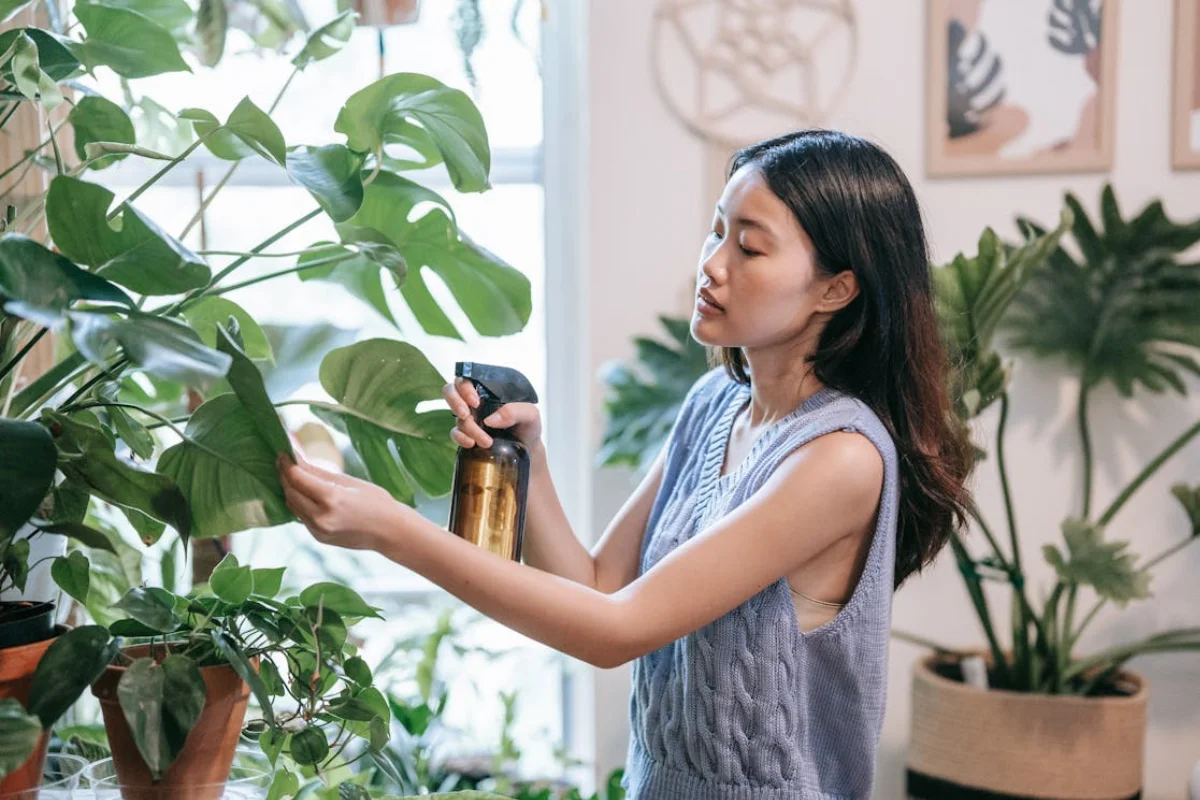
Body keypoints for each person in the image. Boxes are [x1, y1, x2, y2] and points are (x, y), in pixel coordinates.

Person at [277, 129, 975, 799]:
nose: (713, 264)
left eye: (750, 247)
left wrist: (391, 530)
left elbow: (616, 632)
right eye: (717, 231)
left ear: (836, 290)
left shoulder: (840, 458)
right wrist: (530, 458)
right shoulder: (713, 406)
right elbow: (596, 586)